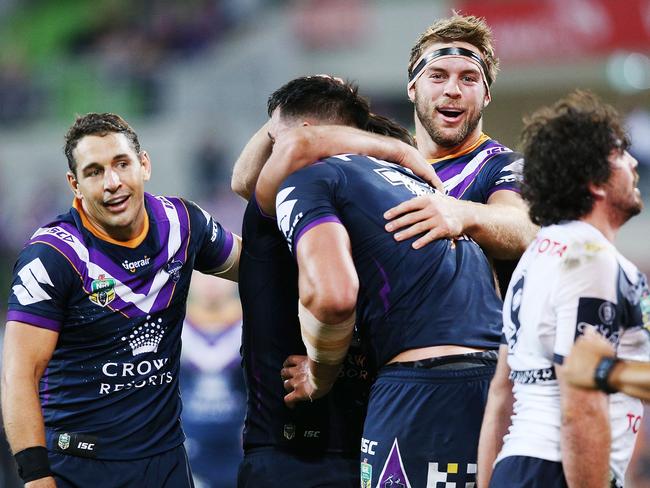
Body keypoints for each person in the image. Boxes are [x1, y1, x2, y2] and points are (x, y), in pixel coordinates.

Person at [260, 83, 504, 487]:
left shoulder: (308, 180)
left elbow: (332, 298)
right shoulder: (412, 179)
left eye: (271, 140)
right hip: (498, 383)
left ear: (301, 133)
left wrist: (320, 376)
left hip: (423, 392)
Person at [1, 113, 241, 488]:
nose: (112, 183)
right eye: (94, 172)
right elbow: (18, 374)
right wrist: (35, 477)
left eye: (121, 164)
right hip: (79, 466)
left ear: (144, 164)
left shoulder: (182, 224)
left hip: (167, 464)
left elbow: (258, 268)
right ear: (75, 185)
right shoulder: (53, 256)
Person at [232, 75, 440, 488]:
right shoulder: (281, 202)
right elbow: (248, 176)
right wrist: (397, 150)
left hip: (365, 447)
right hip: (297, 456)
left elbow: (290, 146)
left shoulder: (356, 201)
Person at [240, 14, 536, 293]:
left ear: (485, 95)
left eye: (469, 78)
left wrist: (462, 213)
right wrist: (287, 114)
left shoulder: (501, 164)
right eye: (437, 75)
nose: (452, 89)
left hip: (469, 344)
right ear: (412, 89)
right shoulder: (382, 154)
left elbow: (522, 226)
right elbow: (248, 184)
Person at [476, 91, 647, 488]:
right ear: (595, 181)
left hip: (519, 468)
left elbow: (502, 394)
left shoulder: (536, 257)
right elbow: (581, 400)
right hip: (559, 470)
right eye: (621, 154)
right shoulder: (591, 258)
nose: (634, 163)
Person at [180, 272, 245, 488]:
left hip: (243, 452)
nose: (210, 282)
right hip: (186, 453)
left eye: (218, 272)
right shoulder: (173, 325)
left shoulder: (252, 326)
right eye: (201, 272)